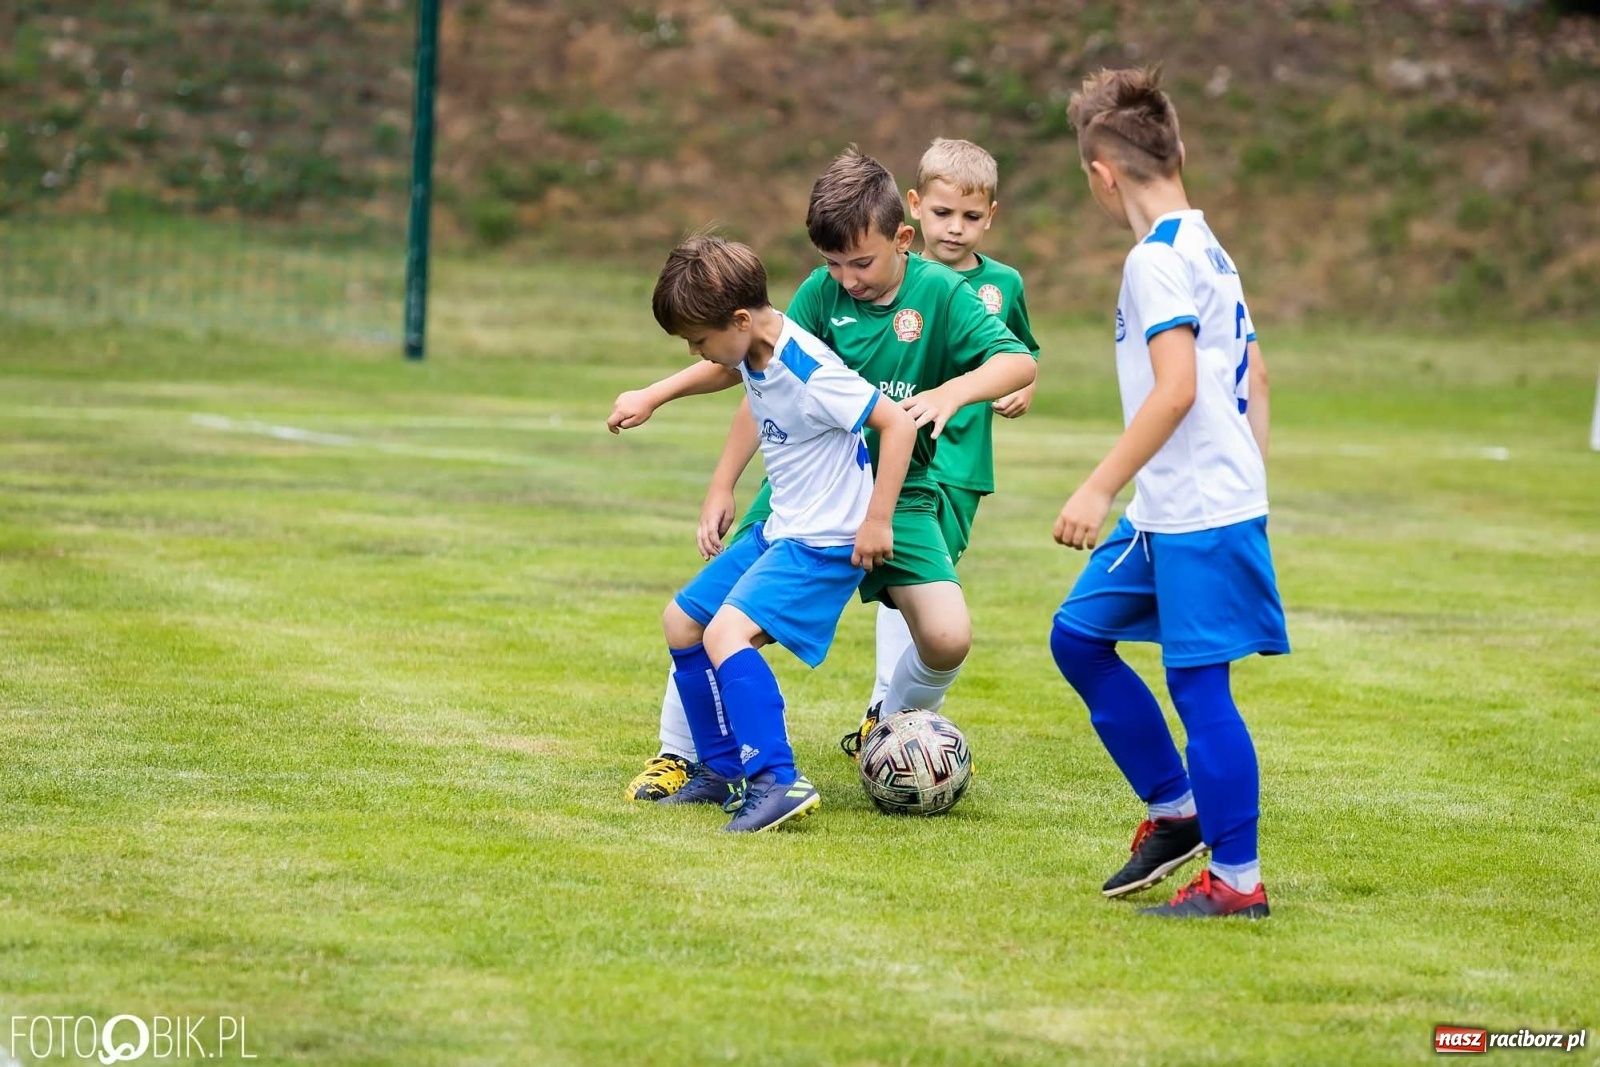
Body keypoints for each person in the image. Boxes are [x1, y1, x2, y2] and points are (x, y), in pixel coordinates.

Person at [611, 149, 1037, 802]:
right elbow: (754, 371)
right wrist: (709, 461)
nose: (845, 278)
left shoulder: (943, 293)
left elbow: (1017, 363)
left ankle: (887, 727)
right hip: (806, 489)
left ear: (902, 239)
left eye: (859, 262)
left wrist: (953, 392)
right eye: (832, 263)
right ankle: (685, 754)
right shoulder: (820, 294)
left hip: (903, 493)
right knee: (703, 612)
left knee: (948, 636)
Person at [1049, 67, 1288, 918]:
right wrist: (1242, 480)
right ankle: (1176, 810)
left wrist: (1098, 485)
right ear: (1176, 150)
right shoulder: (1207, 244)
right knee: (1079, 637)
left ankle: (1237, 883)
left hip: (1195, 514)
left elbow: (1178, 386)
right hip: (1178, 509)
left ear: (1101, 175)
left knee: (1200, 689)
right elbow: (1255, 371)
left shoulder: (1155, 262)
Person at [649, 234, 916, 831]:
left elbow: (896, 423)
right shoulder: (756, 346)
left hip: (823, 540)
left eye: (700, 340)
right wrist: (654, 395)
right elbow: (726, 371)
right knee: (682, 621)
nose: (699, 351)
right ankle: (720, 773)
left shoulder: (808, 366)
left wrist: (877, 519)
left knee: (725, 635)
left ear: (740, 320)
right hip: (783, 527)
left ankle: (776, 779)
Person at [839, 136, 1043, 757]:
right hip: (898, 461)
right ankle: (888, 711)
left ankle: (899, 718)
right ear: (914, 209)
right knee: (903, 579)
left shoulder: (1002, 284)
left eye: (972, 217)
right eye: (943, 214)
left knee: (927, 583)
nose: (956, 229)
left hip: (961, 466)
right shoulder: (895, 285)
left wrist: (1021, 390)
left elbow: (1022, 353)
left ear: (992, 216)